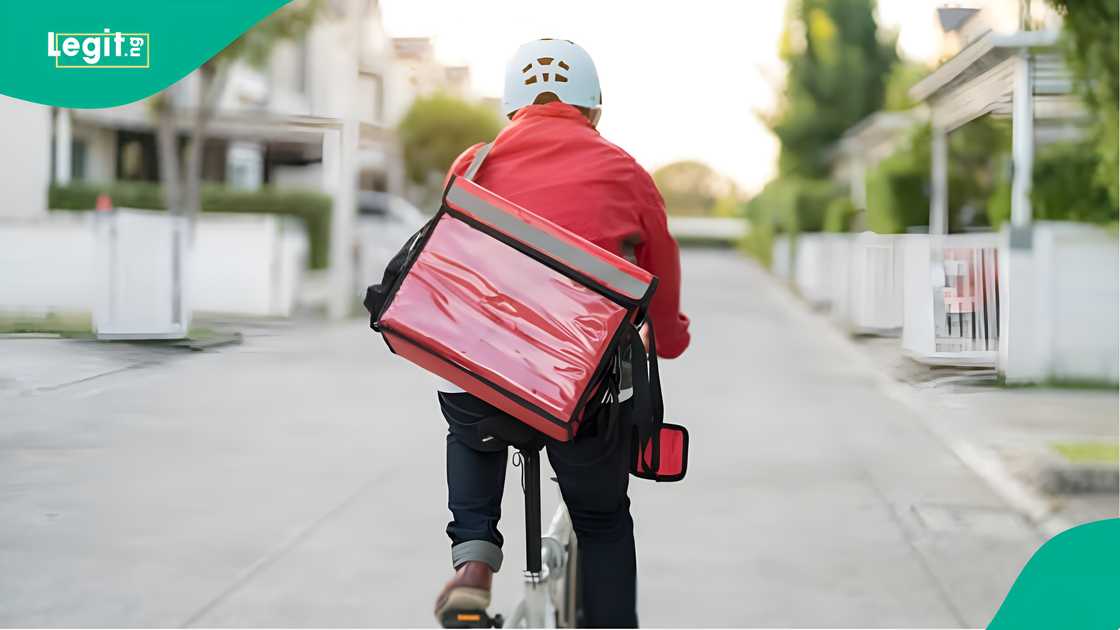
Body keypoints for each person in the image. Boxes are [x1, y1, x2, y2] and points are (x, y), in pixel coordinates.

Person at [434, 38, 690, 628]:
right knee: (602, 522)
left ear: (511, 109)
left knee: (470, 407)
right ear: (593, 109)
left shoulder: (473, 165)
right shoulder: (625, 173)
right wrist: (669, 341)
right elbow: (662, 280)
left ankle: (473, 564)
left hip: (486, 376)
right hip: (579, 391)